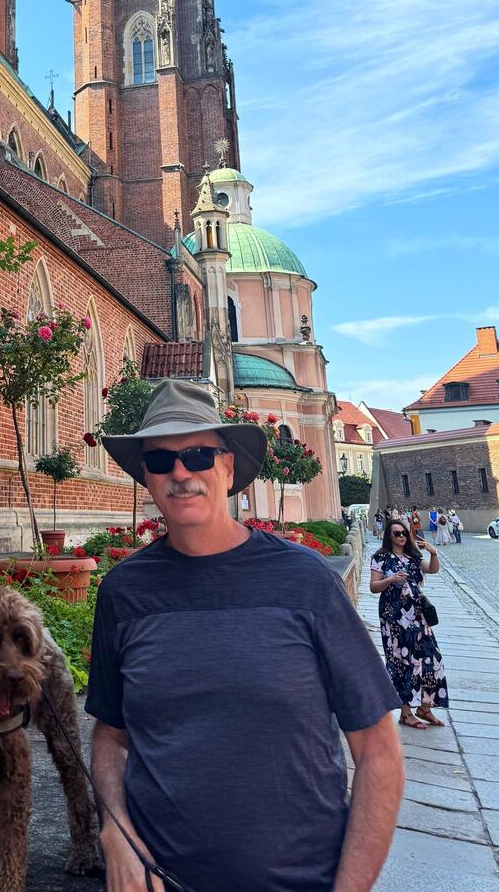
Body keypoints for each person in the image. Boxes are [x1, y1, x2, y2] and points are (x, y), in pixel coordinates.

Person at [89, 379, 403, 892]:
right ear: (146, 477)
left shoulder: (306, 582)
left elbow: (378, 752)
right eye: (162, 461)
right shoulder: (124, 592)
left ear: (228, 467)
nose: (181, 473)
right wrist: (116, 832)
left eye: (198, 455)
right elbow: (110, 736)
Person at [370, 519, 449, 729]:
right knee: (403, 662)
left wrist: (433, 553)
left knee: (432, 657)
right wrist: (390, 579)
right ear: (389, 536)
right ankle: (406, 713)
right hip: (394, 617)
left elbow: (432, 570)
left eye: (404, 533)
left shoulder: (413, 557)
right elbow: (373, 587)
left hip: (418, 614)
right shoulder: (381, 558)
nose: (401, 536)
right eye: (396, 533)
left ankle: (425, 707)